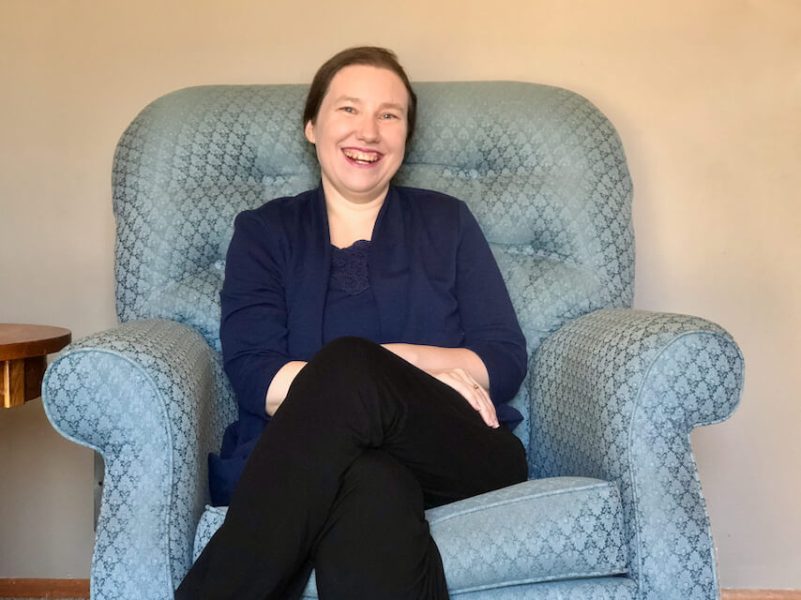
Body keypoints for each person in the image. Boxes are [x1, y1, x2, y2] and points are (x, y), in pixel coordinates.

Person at [176, 46, 529, 600]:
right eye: (348, 110)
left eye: (389, 115)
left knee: (349, 362)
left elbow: (503, 360)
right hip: (314, 464)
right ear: (312, 126)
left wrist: (391, 379)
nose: (369, 131)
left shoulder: (447, 220)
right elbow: (256, 377)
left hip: (458, 450)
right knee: (372, 482)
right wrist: (417, 374)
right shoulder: (266, 232)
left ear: (406, 136)